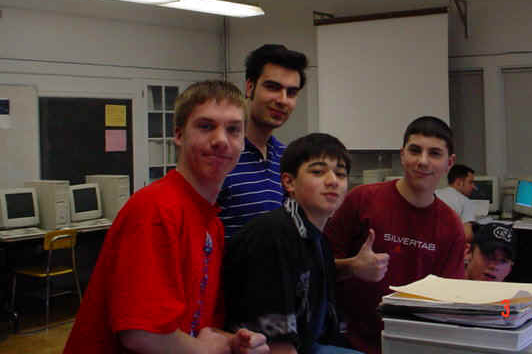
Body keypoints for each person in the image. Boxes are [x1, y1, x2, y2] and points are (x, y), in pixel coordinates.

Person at [63, 80, 268, 354]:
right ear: (179, 135)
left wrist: (230, 342)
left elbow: (195, 330)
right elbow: (143, 334)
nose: (221, 140)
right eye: (206, 126)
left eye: (233, 130)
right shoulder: (157, 208)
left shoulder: (211, 222)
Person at [325, 116, 466, 354]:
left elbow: (449, 299)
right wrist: (352, 267)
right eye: (415, 150)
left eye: (434, 153)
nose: (422, 161)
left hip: (415, 345)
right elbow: (316, 267)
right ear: (402, 155)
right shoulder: (362, 199)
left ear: (449, 163)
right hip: (350, 342)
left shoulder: (451, 225)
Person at [224, 133, 361, 354]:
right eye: (318, 172)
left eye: (341, 174)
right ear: (289, 182)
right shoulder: (272, 237)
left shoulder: (318, 240)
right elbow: (275, 345)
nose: (333, 181)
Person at [218, 44, 309, 239]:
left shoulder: (286, 157)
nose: (283, 100)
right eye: (273, 87)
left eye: (291, 92)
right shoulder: (219, 154)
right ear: (250, 87)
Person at [435, 164, 477, 240]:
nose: (473, 187)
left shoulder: (434, 193)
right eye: (470, 182)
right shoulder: (465, 201)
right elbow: (467, 235)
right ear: (459, 183)